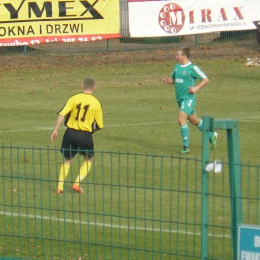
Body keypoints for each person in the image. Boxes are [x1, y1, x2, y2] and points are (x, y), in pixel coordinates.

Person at [50, 76, 104, 194]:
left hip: (70, 133)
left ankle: (60, 187)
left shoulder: (74, 98)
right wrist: (92, 130)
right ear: (94, 88)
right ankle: (77, 183)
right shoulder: (96, 103)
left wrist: (55, 130)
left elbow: (62, 114)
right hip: (85, 135)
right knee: (89, 159)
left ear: (82, 86)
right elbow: (100, 125)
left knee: (67, 160)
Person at [163, 47, 217, 154]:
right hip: (179, 99)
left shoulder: (193, 68)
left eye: (178, 55)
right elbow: (174, 79)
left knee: (181, 118)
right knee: (194, 121)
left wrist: (196, 88)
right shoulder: (177, 67)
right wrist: (168, 80)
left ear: (185, 56)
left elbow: (206, 79)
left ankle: (185, 146)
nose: (176, 56)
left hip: (188, 98)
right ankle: (211, 135)